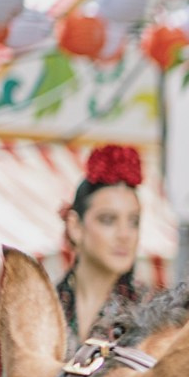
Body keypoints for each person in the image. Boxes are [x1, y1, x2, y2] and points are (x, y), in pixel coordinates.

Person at [56, 144, 148, 338]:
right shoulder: (43, 306)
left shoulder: (149, 314)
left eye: (134, 222)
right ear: (75, 226)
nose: (125, 234)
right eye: (108, 220)